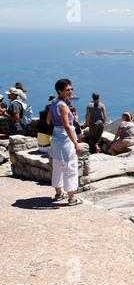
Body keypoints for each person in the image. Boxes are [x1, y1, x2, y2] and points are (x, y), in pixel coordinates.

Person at [47, 78, 83, 206]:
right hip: (66, 139)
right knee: (70, 167)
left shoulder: (54, 103)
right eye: (67, 89)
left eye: (71, 89)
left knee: (57, 166)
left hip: (56, 138)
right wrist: (76, 143)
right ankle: (72, 197)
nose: (70, 92)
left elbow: (48, 121)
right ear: (60, 91)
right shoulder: (62, 105)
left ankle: (58, 193)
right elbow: (67, 126)